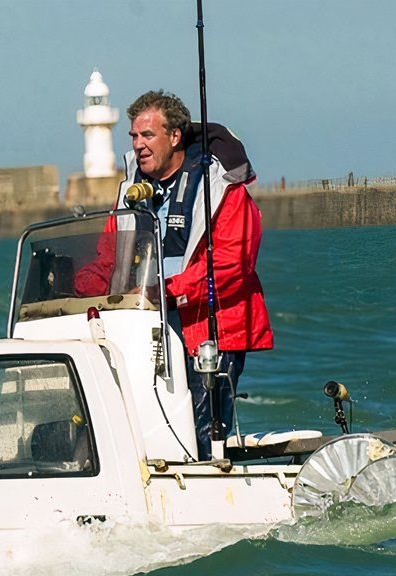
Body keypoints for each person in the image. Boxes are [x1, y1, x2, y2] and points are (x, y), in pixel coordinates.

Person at [75, 90, 272, 460]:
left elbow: (231, 266)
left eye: (148, 135)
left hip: (211, 328)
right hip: (148, 328)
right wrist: (75, 287)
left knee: (199, 434)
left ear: (175, 136)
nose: (138, 145)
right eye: (133, 137)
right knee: (138, 428)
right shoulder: (132, 193)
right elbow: (108, 259)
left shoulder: (220, 189)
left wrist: (165, 291)